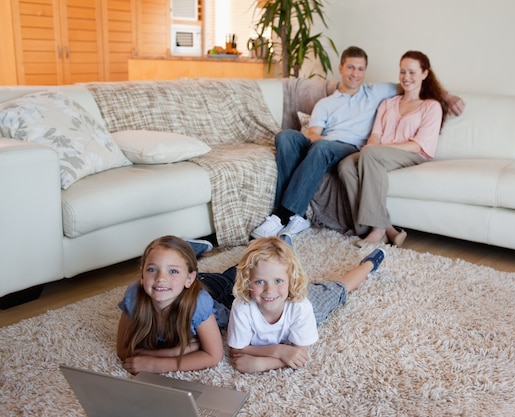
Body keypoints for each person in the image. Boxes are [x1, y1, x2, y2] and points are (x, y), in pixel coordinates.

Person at [251, 46, 465, 240]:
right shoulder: (326, 103)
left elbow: (416, 85)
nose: (355, 73)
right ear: (341, 68)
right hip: (325, 145)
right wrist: (323, 140)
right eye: (351, 67)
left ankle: (282, 214)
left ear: (365, 71)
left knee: (322, 148)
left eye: (360, 69)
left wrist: (447, 96)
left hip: (348, 148)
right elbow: (313, 134)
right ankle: (292, 217)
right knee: (285, 137)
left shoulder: (377, 92)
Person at [223, 235, 386, 373]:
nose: (269, 290)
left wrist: (261, 363)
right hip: (286, 293)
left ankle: (369, 264)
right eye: (259, 281)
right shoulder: (242, 306)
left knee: (341, 288)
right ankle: (285, 249)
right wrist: (279, 350)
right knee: (280, 271)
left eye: (278, 280)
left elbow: (299, 355)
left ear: (291, 280)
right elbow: (237, 350)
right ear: (247, 282)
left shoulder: (301, 306)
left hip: (302, 299)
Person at [338, 51, 449, 247]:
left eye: (412, 72)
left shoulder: (431, 106)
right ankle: (379, 226)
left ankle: (378, 230)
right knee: (346, 164)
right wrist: (372, 146)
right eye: (403, 72)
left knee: (370, 154)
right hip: (380, 153)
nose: (406, 78)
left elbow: (418, 144)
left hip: (411, 154)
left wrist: (375, 149)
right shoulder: (388, 103)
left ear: (425, 74)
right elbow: (376, 135)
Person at [116, 235, 229, 374]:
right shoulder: (134, 297)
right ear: (142, 275)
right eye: (152, 269)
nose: (161, 278)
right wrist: (172, 352)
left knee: (241, 274)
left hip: (218, 290)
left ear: (189, 279)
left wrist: (160, 364)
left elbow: (214, 356)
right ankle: (188, 251)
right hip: (180, 284)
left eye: (173, 271)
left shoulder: (199, 303)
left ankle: (192, 248)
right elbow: (122, 350)